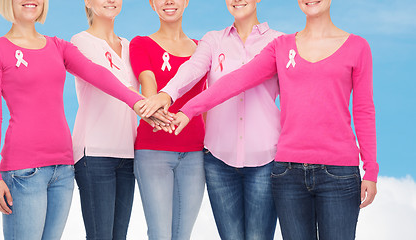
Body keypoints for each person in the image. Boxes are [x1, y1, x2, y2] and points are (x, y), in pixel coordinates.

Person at [171, 0, 378, 239]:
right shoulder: (281, 46)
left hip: (339, 173)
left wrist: (371, 170)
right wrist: (188, 110)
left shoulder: (357, 47)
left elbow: (363, 110)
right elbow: (237, 80)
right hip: (288, 173)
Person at [0, 0, 144, 239]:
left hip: (63, 170)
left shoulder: (58, 46)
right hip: (23, 171)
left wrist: (135, 101)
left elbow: (97, 74)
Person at [139, 0, 282, 239]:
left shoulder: (279, 42)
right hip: (219, 162)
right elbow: (192, 68)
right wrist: (167, 93)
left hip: (265, 159)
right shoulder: (213, 40)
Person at [128, 0, 207, 238]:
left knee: (183, 234)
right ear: (152, 4)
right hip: (153, 152)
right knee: (160, 233)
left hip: (195, 154)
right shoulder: (141, 43)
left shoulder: (201, 48)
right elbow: (148, 83)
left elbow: (206, 102)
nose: (169, 2)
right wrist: (155, 107)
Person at [70, 0, 139, 239]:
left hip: (128, 154)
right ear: (88, 2)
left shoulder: (130, 47)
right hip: (95, 154)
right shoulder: (80, 42)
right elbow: (109, 81)